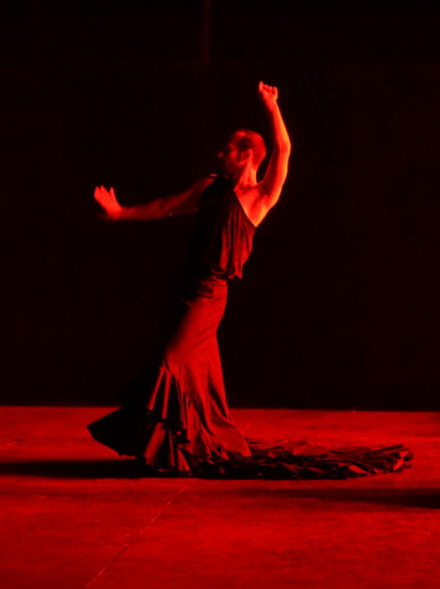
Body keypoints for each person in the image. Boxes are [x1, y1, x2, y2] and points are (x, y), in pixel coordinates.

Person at [89, 82, 411, 479]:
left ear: (246, 155)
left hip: (210, 292)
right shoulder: (209, 187)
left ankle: (175, 447)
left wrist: (272, 107)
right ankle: (187, 448)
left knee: (172, 362)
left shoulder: (260, 196)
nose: (219, 153)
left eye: (226, 148)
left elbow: (285, 150)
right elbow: (166, 206)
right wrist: (121, 213)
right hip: (185, 286)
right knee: (197, 375)